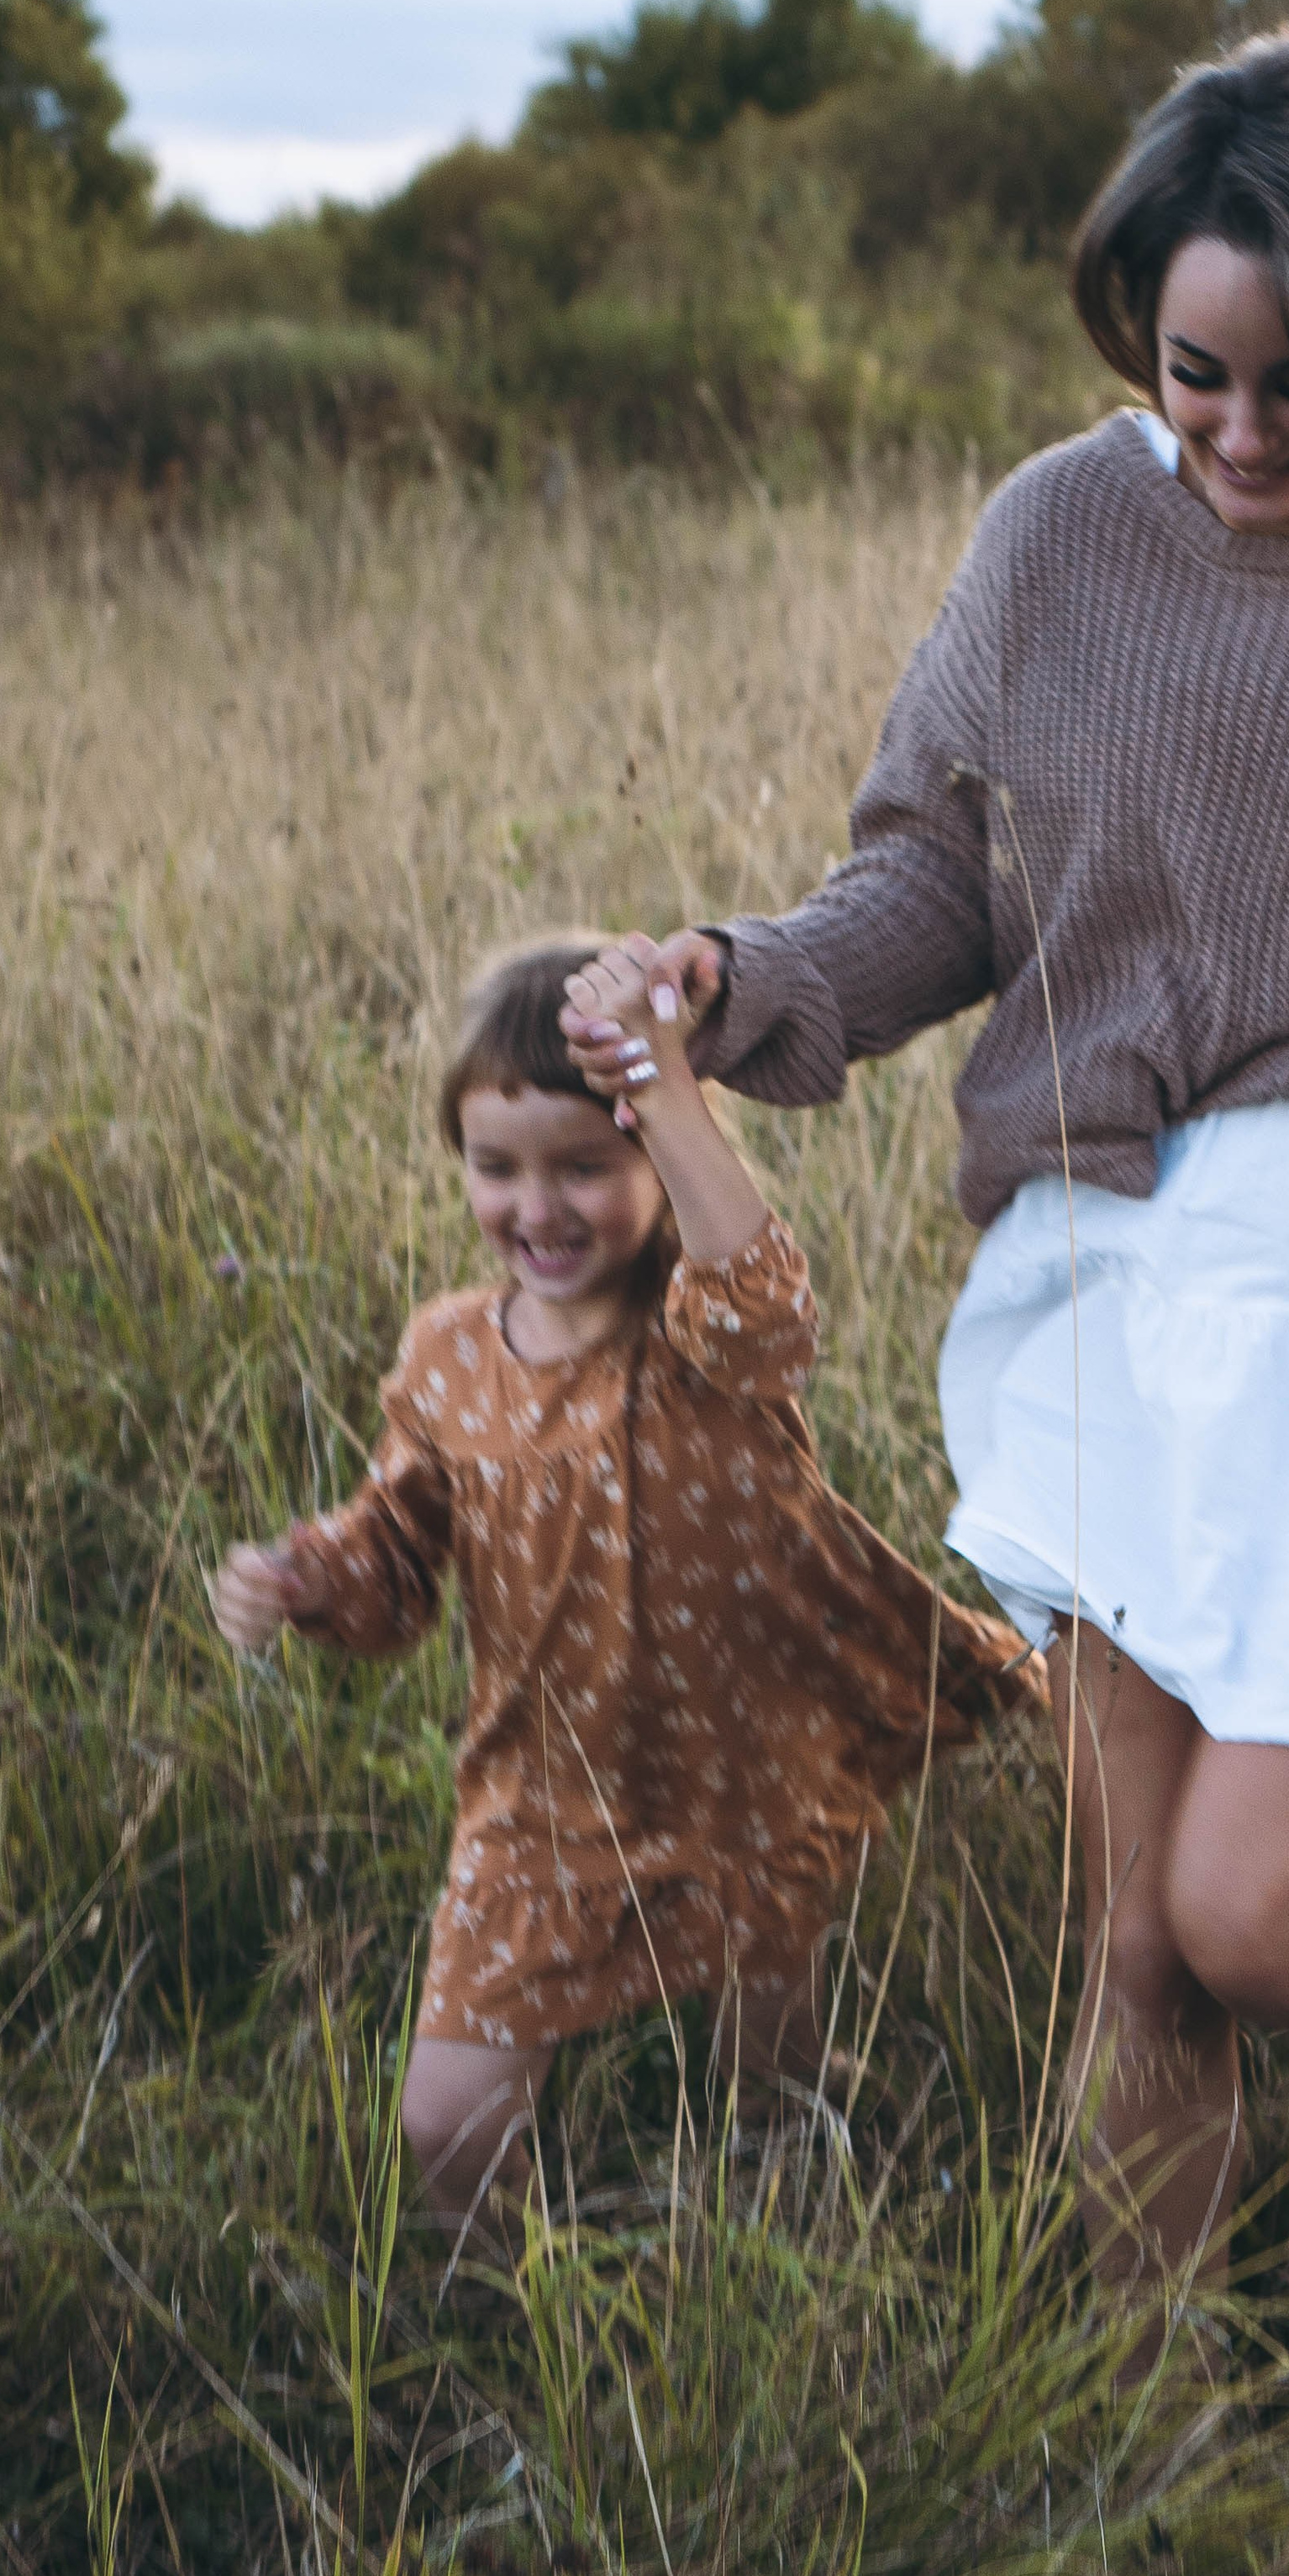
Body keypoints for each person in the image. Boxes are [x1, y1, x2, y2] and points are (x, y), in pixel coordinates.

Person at [563, 31, 1289, 2315]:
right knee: (1133, 1940)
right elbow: (933, 878)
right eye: (1193, 370)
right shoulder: (1059, 533)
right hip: (1110, 1279)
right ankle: (1147, 2471)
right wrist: (745, 976)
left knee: (1257, 1903)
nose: (1230, 434)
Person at [208, 935, 1035, 2245]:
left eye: (583, 1165)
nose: (537, 1207)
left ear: (657, 1155)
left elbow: (772, 1302)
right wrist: (311, 1576)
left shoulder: (706, 1336)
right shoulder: (446, 1360)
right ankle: (502, 2327)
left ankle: (815, 2201)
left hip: (740, 1778)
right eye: (497, 1168)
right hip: (543, 1800)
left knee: (775, 2083)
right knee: (446, 2118)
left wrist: (662, 1075)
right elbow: (399, 1561)